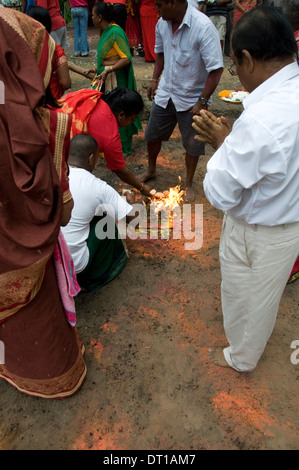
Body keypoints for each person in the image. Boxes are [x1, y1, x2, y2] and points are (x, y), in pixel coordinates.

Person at [192, 6, 299, 372]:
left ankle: (240, 358)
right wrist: (235, 141)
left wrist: (224, 143)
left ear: (248, 59)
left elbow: (220, 193)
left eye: (235, 63)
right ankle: (244, 351)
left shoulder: (262, 119)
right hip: (288, 227)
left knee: (245, 300)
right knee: (264, 299)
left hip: (257, 231)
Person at [0, 8, 86, 398]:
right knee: (36, 310)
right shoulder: (28, 125)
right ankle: (52, 373)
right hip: (19, 219)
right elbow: (50, 200)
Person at [140, 0, 223, 203]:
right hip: (167, 91)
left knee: (192, 144)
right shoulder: (162, 24)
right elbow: (160, 54)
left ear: (175, 2)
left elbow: (216, 69)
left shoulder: (203, 27)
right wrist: (154, 79)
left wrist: (202, 100)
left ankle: (187, 183)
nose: (156, 9)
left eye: (160, 4)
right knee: (152, 134)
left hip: (193, 97)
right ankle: (151, 169)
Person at [61, 134, 136, 292]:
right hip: (74, 263)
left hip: (48, 258)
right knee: (106, 219)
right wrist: (130, 201)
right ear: (91, 158)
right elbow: (132, 220)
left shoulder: (53, 173)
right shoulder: (97, 186)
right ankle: (102, 271)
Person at [73, 2, 142, 156]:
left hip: (117, 79)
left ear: (100, 17)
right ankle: (110, 144)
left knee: (119, 111)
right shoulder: (105, 31)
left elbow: (126, 58)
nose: (91, 18)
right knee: (108, 111)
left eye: (92, 15)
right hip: (107, 76)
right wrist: (98, 68)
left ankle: (122, 148)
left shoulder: (115, 32)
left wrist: (109, 69)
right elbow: (110, 56)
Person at [58, 87, 153, 197]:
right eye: (132, 119)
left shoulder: (92, 95)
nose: (131, 123)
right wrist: (141, 187)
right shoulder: (110, 135)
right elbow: (120, 170)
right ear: (121, 115)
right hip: (53, 146)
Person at [27, 6, 71, 99]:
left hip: (30, 101)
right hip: (52, 101)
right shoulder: (55, 49)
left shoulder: (23, 47)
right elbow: (66, 83)